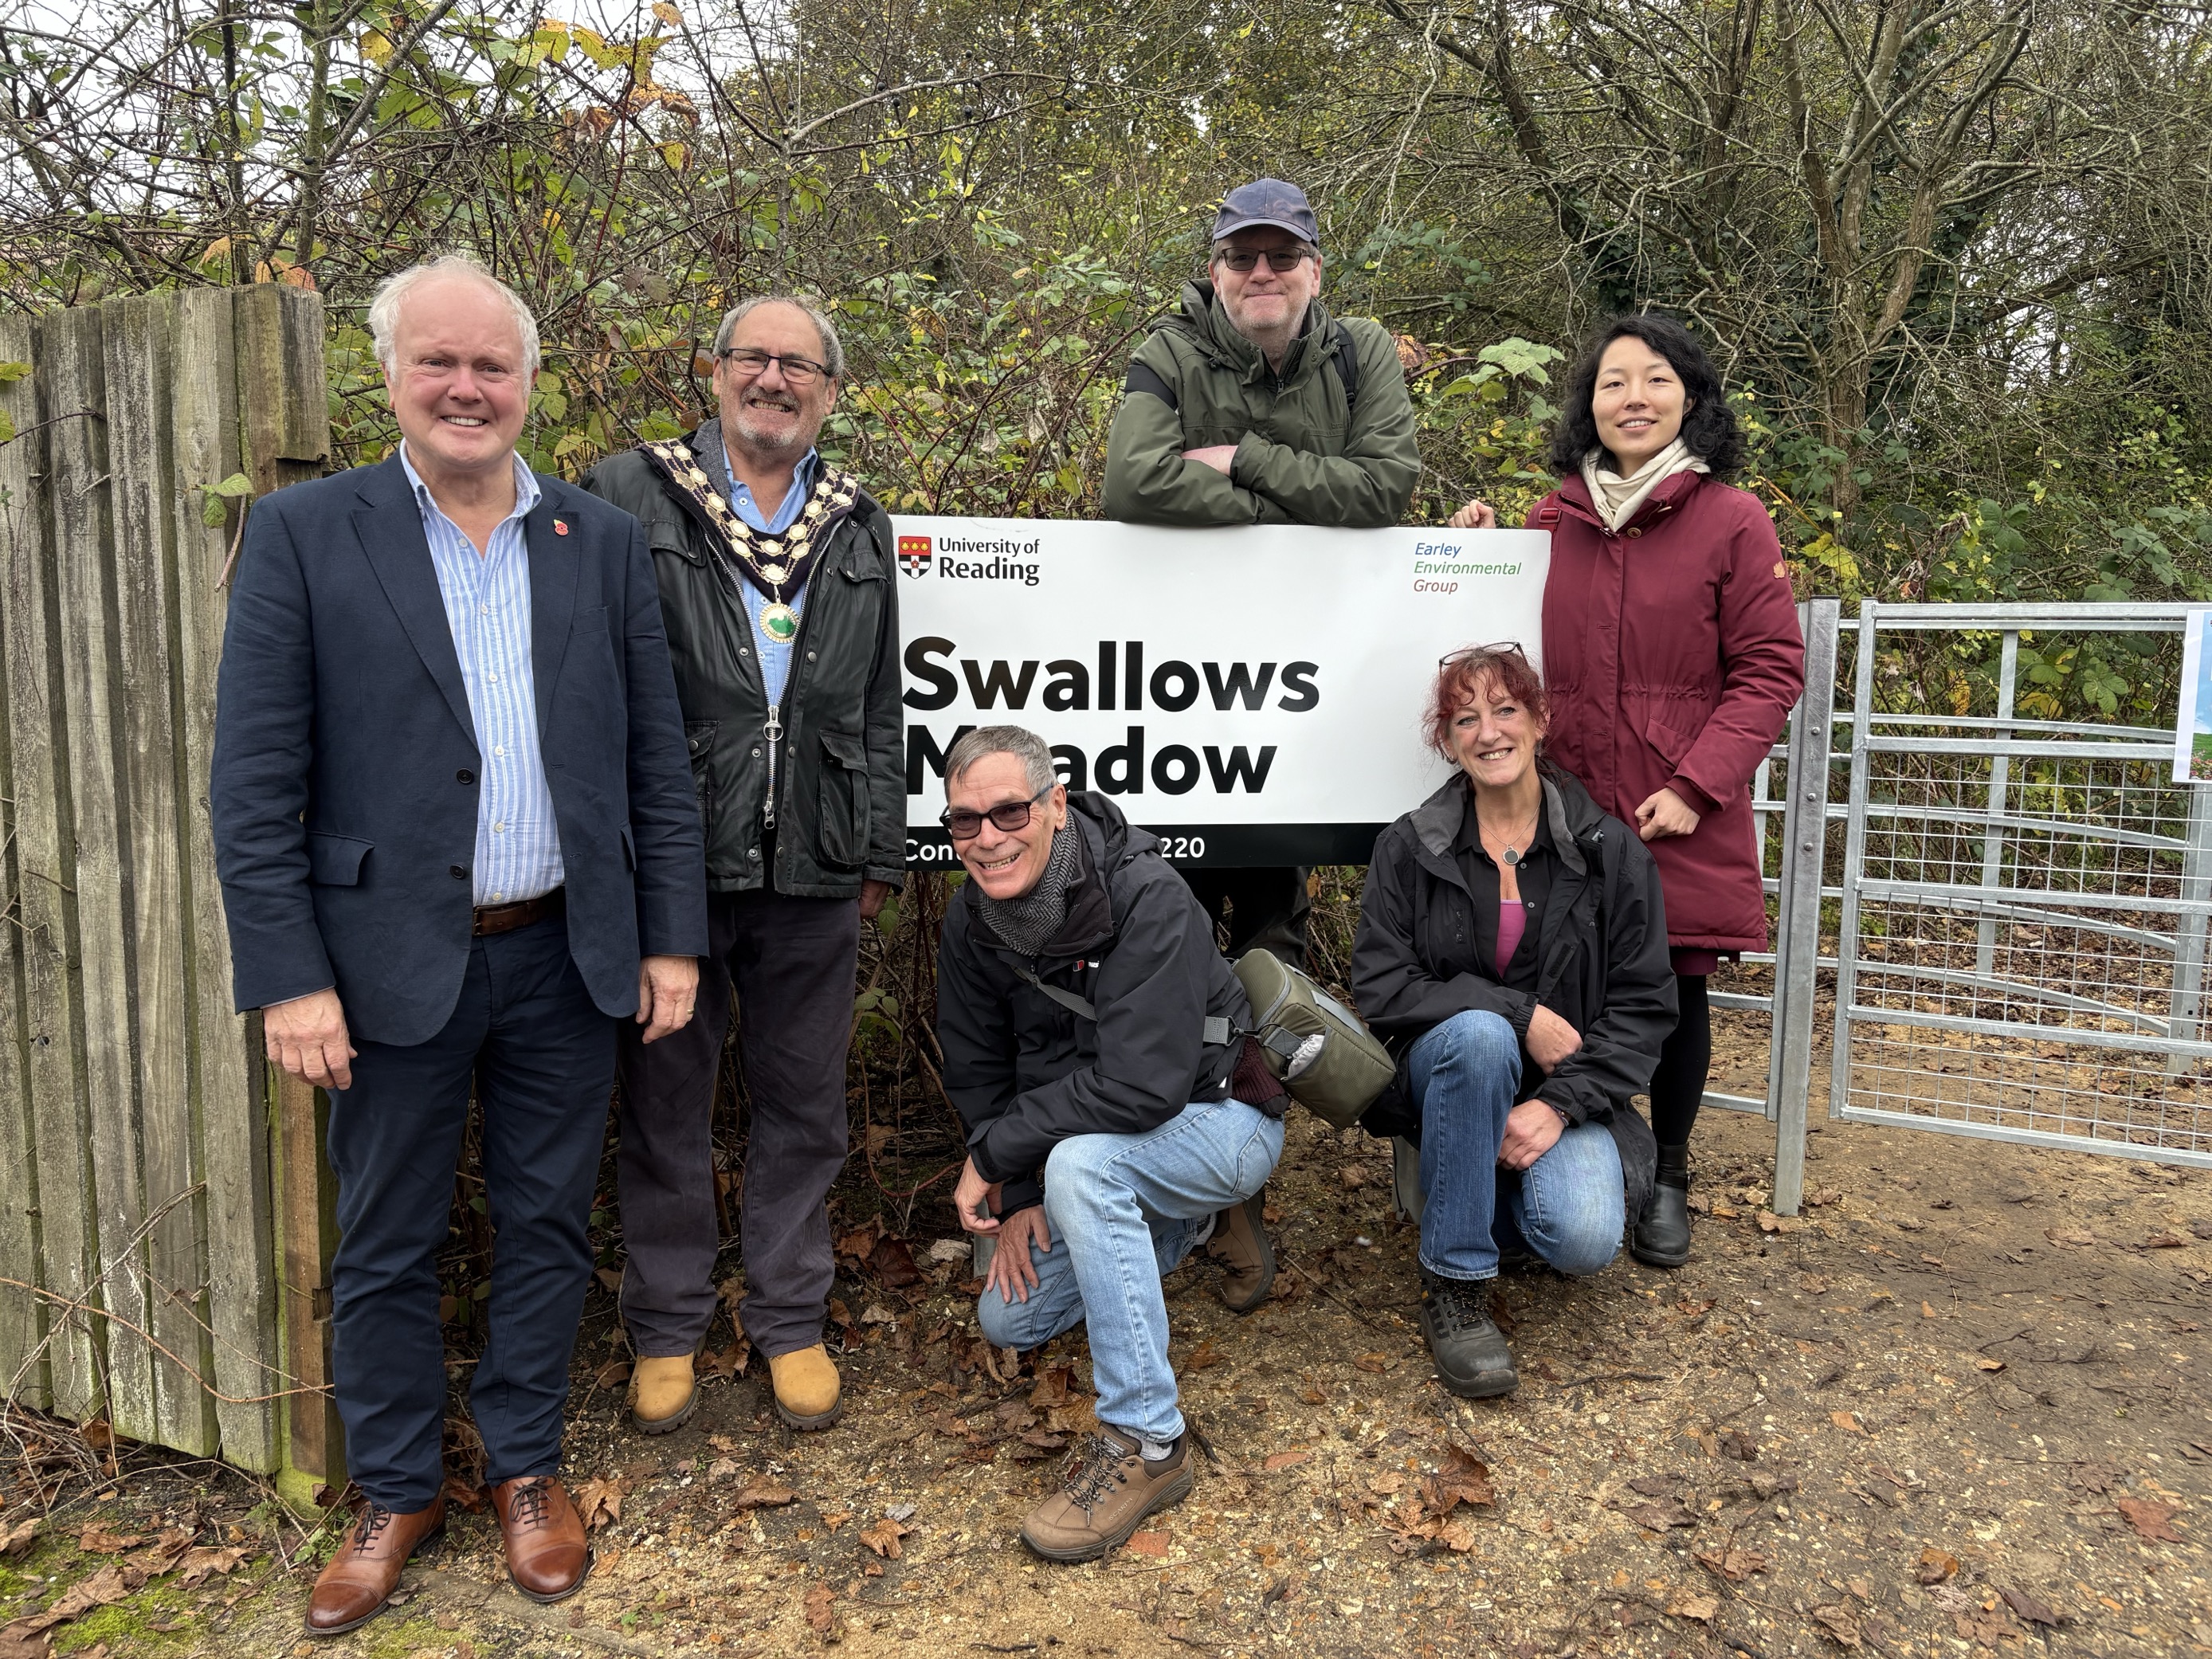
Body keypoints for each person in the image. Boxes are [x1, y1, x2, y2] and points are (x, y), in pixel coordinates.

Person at [211, 255, 707, 1634]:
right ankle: (394, 1488)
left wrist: (669, 939)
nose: (467, 388)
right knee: (384, 1240)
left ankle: (524, 1467)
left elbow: (653, 760)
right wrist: (289, 973)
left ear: (528, 381)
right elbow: (250, 784)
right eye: (440, 362)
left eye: (492, 365)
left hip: (565, 954)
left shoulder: (596, 541)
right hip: (380, 967)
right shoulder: (308, 532)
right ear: (393, 377)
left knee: (548, 1224)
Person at [582, 295, 904, 1437]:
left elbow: (879, 701)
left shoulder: (858, 522)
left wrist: (878, 843)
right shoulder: (629, 492)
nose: (774, 378)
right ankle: (666, 1326)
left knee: (804, 1102)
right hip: (676, 857)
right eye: (754, 358)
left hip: (816, 856)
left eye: (799, 364)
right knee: (667, 1099)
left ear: (828, 387)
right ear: (715, 372)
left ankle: (789, 1317)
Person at [1101, 176, 1418, 1310]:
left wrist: (1245, 468)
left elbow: (1389, 482)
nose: (1262, 275)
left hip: (1304, 726)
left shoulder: (1361, 351)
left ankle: (1257, 1175)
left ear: (1314, 271)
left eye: (1283, 257)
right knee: (1174, 966)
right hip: (1182, 715)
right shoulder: (1170, 348)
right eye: (1243, 257)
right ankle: (1225, 1205)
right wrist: (1295, 516)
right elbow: (1130, 478)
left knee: (1274, 962)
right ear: (1217, 268)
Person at [1447, 314, 1803, 1269]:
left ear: (1689, 398)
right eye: (1613, 383)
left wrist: (1698, 783)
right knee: (1553, 986)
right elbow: (1493, 649)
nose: (1632, 398)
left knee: (1675, 994)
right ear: (1589, 404)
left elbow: (1770, 668)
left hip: (1673, 809)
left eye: (1654, 380)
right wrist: (1472, 550)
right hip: (1561, 807)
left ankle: (1671, 1175)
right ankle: (1568, 1156)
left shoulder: (1732, 520)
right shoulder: (1550, 521)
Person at [933, 726, 1286, 1561]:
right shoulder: (970, 918)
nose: (987, 838)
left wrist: (998, 1160)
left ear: (1054, 804)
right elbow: (980, 1067)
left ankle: (1148, 1442)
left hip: (1220, 1121)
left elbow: (1141, 1087)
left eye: (1008, 811)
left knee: (1083, 1165)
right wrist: (1017, 1196)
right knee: (1006, 1318)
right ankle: (1180, 1229)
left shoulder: (1146, 895)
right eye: (963, 822)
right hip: (1096, 1150)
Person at [1351, 645, 1676, 1396]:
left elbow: (1644, 1007)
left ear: (1540, 721)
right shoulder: (1410, 846)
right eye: (1465, 718)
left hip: (1569, 1095)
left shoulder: (1609, 852)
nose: (1488, 732)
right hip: (1451, 1070)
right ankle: (1456, 1285)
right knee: (1479, 1031)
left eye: (1505, 710)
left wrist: (1558, 1107)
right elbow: (1381, 984)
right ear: (1448, 740)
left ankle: (1473, 1194)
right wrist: (1519, 1011)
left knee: (1586, 1238)